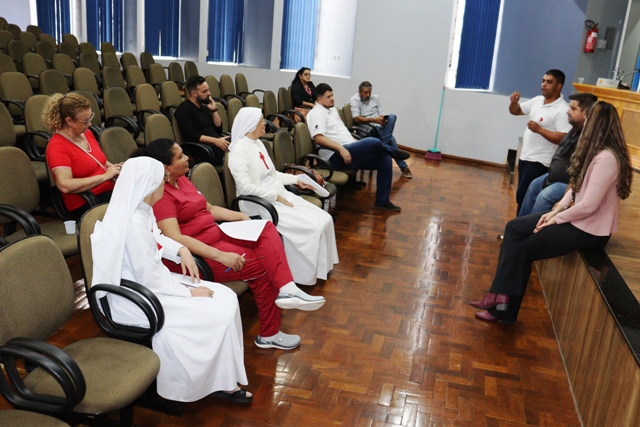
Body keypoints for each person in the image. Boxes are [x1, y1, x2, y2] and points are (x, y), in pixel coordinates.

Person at [135, 138, 326, 350]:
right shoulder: (160, 194)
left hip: (217, 233)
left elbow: (207, 208)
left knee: (266, 227)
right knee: (264, 265)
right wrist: (220, 255)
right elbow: (175, 239)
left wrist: (241, 216)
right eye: (180, 156)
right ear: (165, 168)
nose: (187, 158)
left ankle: (287, 288)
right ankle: (269, 333)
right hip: (198, 255)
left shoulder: (182, 179)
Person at [91, 157, 252, 403]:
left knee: (227, 297)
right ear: (148, 185)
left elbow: (156, 239)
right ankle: (198, 383)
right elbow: (149, 278)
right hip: (137, 297)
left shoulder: (141, 211)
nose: (163, 186)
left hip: (153, 284)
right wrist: (188, 293)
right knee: (215, 313)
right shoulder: (133, 222)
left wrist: (180, 250)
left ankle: (221, 377)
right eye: (159, 181)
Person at [470, 101, 633, 324]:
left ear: (596, 123)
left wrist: (555, 218)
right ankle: (496, 295)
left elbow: (589, 206)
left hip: (590, 230)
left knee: (525, 248)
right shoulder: (596, 152)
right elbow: (576, 189)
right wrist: (555, 210)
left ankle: (504, 310)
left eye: (589, 118)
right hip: (578, 220)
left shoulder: (607, 159)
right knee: (514, 228)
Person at [228, 107, 339, 285]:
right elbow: (245, 187)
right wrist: (275, 197)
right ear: (250, 125)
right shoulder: (238, 151)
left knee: (324, 219)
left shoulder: (259, 144)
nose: (265, 123)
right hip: (258, 203)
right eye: (261, 120)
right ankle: (301, 275)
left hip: (277, 195)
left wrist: (296, 180)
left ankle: (320, 268)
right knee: (312, 228)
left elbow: (272, 175)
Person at [306, 83, 409, 212]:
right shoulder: (316, 114)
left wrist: (354, 142)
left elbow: (341, 133)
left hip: (348, 149)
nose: (332, 98)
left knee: (385, 160)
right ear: (319, 99)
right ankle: (394, 152)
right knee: (372, 141)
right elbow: (318, 138)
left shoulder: (331, 109)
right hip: (334, 157)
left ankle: (382, 201)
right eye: (328, 97)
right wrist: (341, 149)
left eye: (332, 95)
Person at [518, 93, 597, 217]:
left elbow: (579, 172)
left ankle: (532, 231)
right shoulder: (574, 129)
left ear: (586, 112)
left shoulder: (588, 137)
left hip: (567, 183)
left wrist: (565, 198)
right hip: (553, 176)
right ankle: (519, 226)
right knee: (533, 185)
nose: (567, 111)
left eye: (573, 108)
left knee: (545, 196)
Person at [44, 93, 122, 217]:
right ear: (69, 121)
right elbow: (65, 185)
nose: (89, 124)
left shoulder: (86, 133)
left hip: (107, 190)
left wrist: (116, 169)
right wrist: (105, 176)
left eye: (90, 118)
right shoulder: (57, 146)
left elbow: (100, 161)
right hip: (86, 201)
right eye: (85, 121)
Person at [510, 70, 572, 215]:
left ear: (558, 86)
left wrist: (540, 130)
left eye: (549, 82)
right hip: (525, 157)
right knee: (521, 196)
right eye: (543, 81)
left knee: (526, 197)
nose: (544, 85)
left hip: (540, 161)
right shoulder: (537, 100)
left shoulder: (562, 109)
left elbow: (564, 138)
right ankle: (519, 228)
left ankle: (519, 230)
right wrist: (514, 102)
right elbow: (516, 111)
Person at [350, 81, 412, 178]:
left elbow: (381, 114)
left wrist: (383, 120)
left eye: (369, 92)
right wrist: (374, 120)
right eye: (365, 92)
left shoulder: (375, 98)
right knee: (391, 139)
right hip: (367, 130)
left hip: (379, 127)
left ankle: (384, 145)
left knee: (392, 116)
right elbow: (356, 118)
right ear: (359, 91)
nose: (368, 95)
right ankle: (403, 166)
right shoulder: (354, 100)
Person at [174, 75, 230, 165]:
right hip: (203, 151)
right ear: (193, 94)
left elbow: (218, 129)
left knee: (242, 142)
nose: (209, 93)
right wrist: (215, 141)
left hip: (216, 145)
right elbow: (190, 135)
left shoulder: (204, 107)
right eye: (204, 91)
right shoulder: (184, 109)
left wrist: (213, 110)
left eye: (208, 89)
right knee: (238, 151)